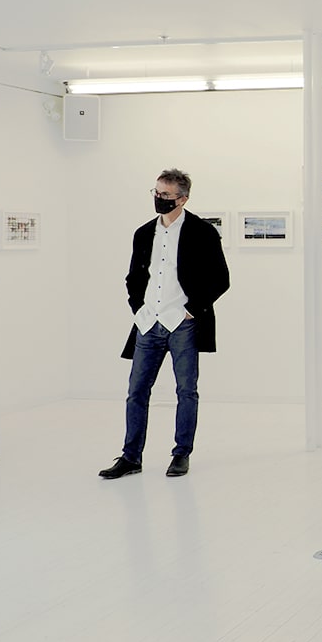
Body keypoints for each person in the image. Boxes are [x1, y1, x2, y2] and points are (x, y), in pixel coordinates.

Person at [99, 169, 230, 479]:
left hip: (182, 324)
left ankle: (181, 454)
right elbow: (133, 277)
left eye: (166, 195)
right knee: (136, 392)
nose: (159, 199)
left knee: (186, 391)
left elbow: (221, 279)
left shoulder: (202, 232)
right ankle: (131, 457)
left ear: (182, 199)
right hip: (148, 323)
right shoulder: (144, 233)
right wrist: (138, 310)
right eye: (156, 193)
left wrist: (191, 310)